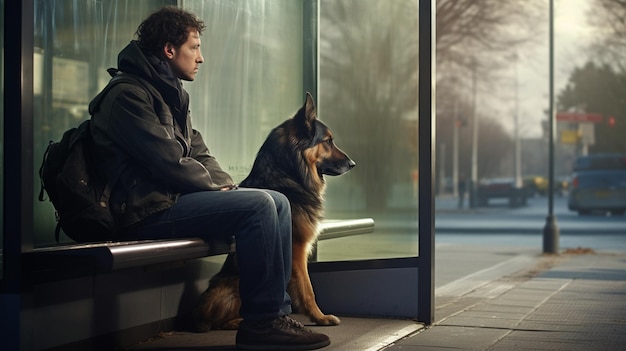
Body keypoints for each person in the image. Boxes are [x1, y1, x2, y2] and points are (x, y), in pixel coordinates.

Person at [88, 6, 330, 351]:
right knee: (261, 204)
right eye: (194, 47)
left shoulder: (169, 93)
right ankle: (264, 322)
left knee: (276, 200)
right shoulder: (128, 95)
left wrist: (224, 183)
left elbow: (198, 151)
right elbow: (168, 160)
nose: (200, 58)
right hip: (141, 212)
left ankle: (274, 315)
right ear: (169, 50)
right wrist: (216, 187)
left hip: (167, 203)